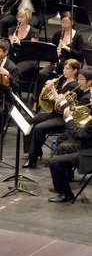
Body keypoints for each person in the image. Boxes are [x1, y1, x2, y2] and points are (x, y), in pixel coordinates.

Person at [24, 58, 81, 168]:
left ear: (74, 71)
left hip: (62, 118)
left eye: (67, 68)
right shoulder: (65, 81)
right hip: (54, 113)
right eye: (64, 68)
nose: (64, 70)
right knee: (28, 121)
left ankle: (32, 159)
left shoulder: (74, 86)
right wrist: (48, 90)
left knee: (39, 128)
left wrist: (52, 89)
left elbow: (61, 104)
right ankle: (34, 151)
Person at [47, 69, 92, 202]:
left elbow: (78, 135)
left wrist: (69, 119)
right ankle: (63, 183)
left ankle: (66, 194)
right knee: (62, 148)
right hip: (87, 144)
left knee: (54, 162)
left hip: (88, 152)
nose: (91, 99)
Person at [35, 10, 84, 101]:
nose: (64, 24)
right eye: (62, 22)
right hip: (57, 62)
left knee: (59, 78)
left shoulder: (78, 36)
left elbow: (80, 55)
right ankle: (37, 100)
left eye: (66, 22)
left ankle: (56, 100)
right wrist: (55, 53)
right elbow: (50, 51)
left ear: (72, 22)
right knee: (41, 73)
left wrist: (67, 48)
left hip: (70, 66)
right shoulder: (57, 35)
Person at [7, 8, 39, 79]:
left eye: (22, 17)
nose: (19, 19)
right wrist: (10, 43)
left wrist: (20, 43)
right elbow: (8, 47)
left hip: (28, 58)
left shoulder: (34, 32)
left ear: (27, 18)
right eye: (18, 17)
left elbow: (32, 49)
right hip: (14, 56)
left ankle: (14, 88)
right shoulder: (12, 29)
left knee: (15, 70)